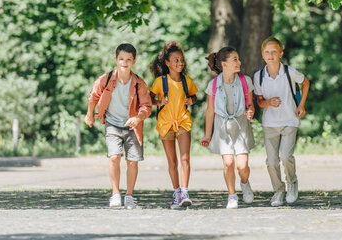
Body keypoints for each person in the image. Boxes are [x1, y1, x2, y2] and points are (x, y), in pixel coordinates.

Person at [85, 43, 152, 209]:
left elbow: (147, 106)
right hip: (112, 124)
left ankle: (129, 195)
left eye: (129, 59)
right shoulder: (105, 80)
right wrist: (89, 115)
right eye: (121, 58)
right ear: (116, 60)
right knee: (114, 157)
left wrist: (138, 118)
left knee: (132, 161)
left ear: (134, 61)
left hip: (132, 126)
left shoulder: (139, 83)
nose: (124, 62)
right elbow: (93, 97)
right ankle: (115, 194)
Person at [253, 36, 310, 207]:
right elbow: (260, 102)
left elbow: (306, 83)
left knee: (286, 156)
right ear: (263, 55)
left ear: (280, 54)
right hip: (270, 124)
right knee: (271, 161)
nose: (270, 55)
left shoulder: (290, 72)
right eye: (267, 52)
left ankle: (292, 183)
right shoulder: (259, 76)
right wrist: (268, 103)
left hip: (289, 120)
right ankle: (278, 190)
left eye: (274, 52)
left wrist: (301, 105)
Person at [200, 46, 255, 209]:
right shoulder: (213, 84)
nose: (239, 62)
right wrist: (207, 135)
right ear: (224, 64)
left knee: (242, 166)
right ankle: (232, 195)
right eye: (235, 60)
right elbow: (210, 111)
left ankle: (245, 183)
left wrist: (250, 111)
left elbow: (250, 104)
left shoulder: (246, 81)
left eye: (238, 59)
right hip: (222, 128)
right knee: (228, 163)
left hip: (241, 126)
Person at [149, 41, 198, 209]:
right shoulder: (160, 82)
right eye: (176, 60)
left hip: (183, 121)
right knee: (172, 161)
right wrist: (159, 101)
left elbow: (194, 96)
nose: (180, 63)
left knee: (185, 158)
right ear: (167, 63)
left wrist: (191, 100)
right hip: (166, 124)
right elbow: (149, 100)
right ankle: (176, 192)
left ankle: (185, 192)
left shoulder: (187, 81)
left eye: (181, 60)